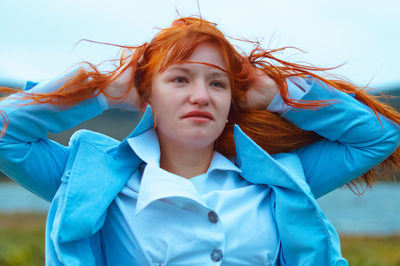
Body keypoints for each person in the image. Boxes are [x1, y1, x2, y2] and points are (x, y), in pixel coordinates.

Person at [1, 16, 399, 266]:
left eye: (218, 83)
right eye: (179, 78)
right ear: (146, 96)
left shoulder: (280, 176)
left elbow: (378, 137)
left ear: (232, 100)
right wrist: (99, 91)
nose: (201, 95)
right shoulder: (87, 178)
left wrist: (279, 94)